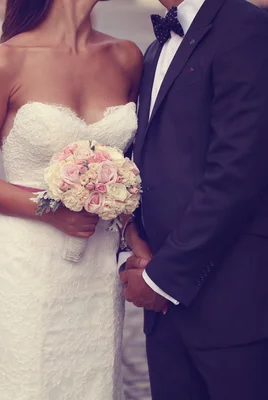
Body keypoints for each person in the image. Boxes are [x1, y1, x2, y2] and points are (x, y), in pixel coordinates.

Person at [0, 0, 142, 397]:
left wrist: (134, 234)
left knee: (95, 382)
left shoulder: (125, 56)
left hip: (98, 260)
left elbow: (134, 163)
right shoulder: (6, 61)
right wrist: (48, 210)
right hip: (28, 260)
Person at [120, 0, 268, 398]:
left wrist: (162, 278)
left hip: (234, 303)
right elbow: (155, 161)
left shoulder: (249, 27)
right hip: (165, 315)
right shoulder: (156, 47)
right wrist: (135, 242)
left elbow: (238, 171)